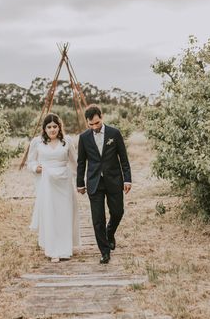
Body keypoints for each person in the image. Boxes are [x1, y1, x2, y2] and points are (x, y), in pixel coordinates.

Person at [77, 104, 132, 264]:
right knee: (97, 219)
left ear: (102, 117)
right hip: (94, 182)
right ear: (87, 122)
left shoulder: (114, 133)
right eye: (91, 124)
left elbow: (124, 158)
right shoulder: (84, 137)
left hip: (114, 180)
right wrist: (80, 183)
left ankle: (110, 232)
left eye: (97, 123)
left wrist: (127, 179)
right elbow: (81, 162)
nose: (94, 127)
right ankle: (105, 251)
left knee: (118, 212)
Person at [27, 113, 80, 262]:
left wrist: (80, 182)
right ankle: (53, 251)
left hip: (64, 182)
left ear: (59, 127)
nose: (52, 130)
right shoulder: (37, 142)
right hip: (47, 183)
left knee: (64, 214)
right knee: (50, 215)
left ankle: (65, 249)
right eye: (49, 127)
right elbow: (30, 162)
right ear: (44, 128)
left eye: (55, 126)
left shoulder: (67, 141)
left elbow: (75, 163)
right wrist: (36, 168)